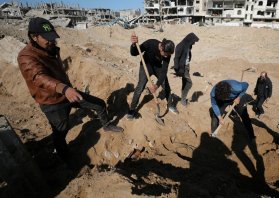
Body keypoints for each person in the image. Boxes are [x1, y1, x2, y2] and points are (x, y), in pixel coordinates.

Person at [17, 17, 124, 160]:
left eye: (52, 37)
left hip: (67, 92)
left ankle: (106, 125)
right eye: (47, 38)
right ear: (34, 37)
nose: (52, 41)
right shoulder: (26, 56)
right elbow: (38, 77)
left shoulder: (50, 48)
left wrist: (67, 89)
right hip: (52, 101)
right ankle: (65, 158)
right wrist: (64, 89)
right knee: (61, 132)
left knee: (99, 104)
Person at [127, 33, 178, 119]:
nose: (167, 56)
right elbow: (134, 53)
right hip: (145, 65)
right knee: (140, 86)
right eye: (165, 54)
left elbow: (164, 71)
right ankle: (132, 109)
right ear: (161, 48)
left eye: (168, 55)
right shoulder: (150, 43)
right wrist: (133, 45)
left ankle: (170, 105)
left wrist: (157, 85)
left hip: (157, 67)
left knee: (166, 84)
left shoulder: (167, 54)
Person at [173, 32, 199, 106]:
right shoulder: (180, 46)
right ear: (189, 40)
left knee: (185, 82)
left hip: (187, 66)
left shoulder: (188, 45)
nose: (194, 43)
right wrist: (177, 70)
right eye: (193, 41)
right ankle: (183, 100)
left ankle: (182, 99)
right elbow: (176, 58)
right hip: (182, 68)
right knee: (189, 83)